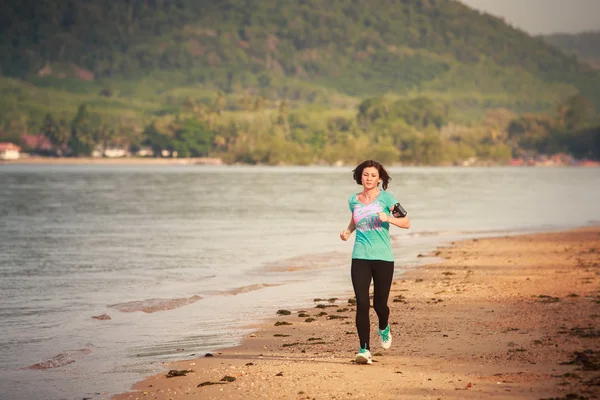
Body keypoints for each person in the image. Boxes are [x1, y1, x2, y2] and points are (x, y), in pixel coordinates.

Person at [340, 159, 411, 364]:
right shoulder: (353, 199)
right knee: (362, 303)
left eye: (373, 175)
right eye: (365, 174)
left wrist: (389, 218)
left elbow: (406, 223)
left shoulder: (387, 199)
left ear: (379, 178)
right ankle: (364, 349)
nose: (369, 178)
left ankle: (384, 326)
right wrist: (348, 231)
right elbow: (356, 218)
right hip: (360, 256)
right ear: (360, 177)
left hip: (383, 258)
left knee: (380, 304)